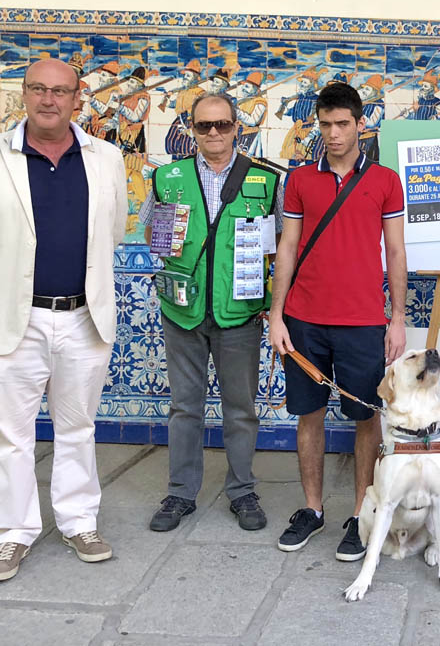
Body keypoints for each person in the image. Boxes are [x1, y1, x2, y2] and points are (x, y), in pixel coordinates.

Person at [0, 58, 127, 582]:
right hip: (10, 320)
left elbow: (112, 230)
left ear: (77, 98)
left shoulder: (105, 157)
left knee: (77, 427)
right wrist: (0, 281)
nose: (49, 99)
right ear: (24, 94)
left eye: (60, 91)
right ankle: (12, 536)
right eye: (39, 89)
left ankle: (78, 522)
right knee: (11, 434)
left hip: (82, 318)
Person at [267, 82, 407, 562]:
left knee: (365, 418)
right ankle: (311, 509)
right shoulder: (301, 179)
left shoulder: (385, 180)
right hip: (304, 320)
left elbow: (396, 250)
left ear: (360, 124)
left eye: (342, 123)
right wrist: (277, 314)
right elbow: (287, 247)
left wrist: (399, 318)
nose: (333, 133)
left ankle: (360, 514)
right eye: (325, 124)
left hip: (364, 321)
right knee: (309, 415)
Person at [138, 93, 283, 534]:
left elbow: (280, 244)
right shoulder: (168, 177)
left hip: (238, 313)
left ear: (237, 127)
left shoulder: (265, 180)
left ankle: (242, 491)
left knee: (240, 409)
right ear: (191, 130)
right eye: (204, 126)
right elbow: (150, 232)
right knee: (185, 407)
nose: (214, 133)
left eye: (222, 124)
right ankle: (181, 492)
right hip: (183, 309)